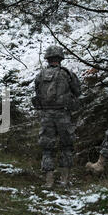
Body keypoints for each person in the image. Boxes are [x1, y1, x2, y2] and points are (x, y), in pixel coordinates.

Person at [32, 45, 81, 188]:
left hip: (46, 115)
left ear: (47, 58)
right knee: (66, 146)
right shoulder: (67, 74)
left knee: (47, 147)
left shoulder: (40, 75)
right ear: (60, 58)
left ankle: (49, 181)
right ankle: (64, 180)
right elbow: (77, 91)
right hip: (63, 115)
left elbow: (37, 93)